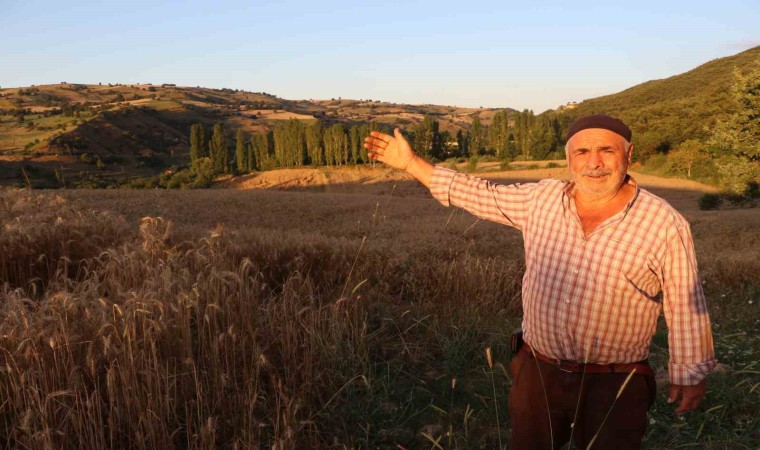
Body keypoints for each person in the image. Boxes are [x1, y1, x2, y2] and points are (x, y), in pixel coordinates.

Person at [364, 114, 717, 450]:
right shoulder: (541, 200)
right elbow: (478, 192)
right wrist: (411, 163)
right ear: (568, 159)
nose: (594, 163)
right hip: (538, 373)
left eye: (607, 151)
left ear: (628, 154)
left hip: (615, 382)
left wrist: (690, 373)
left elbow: (685, 302)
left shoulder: (664, 223)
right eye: (582, 152)